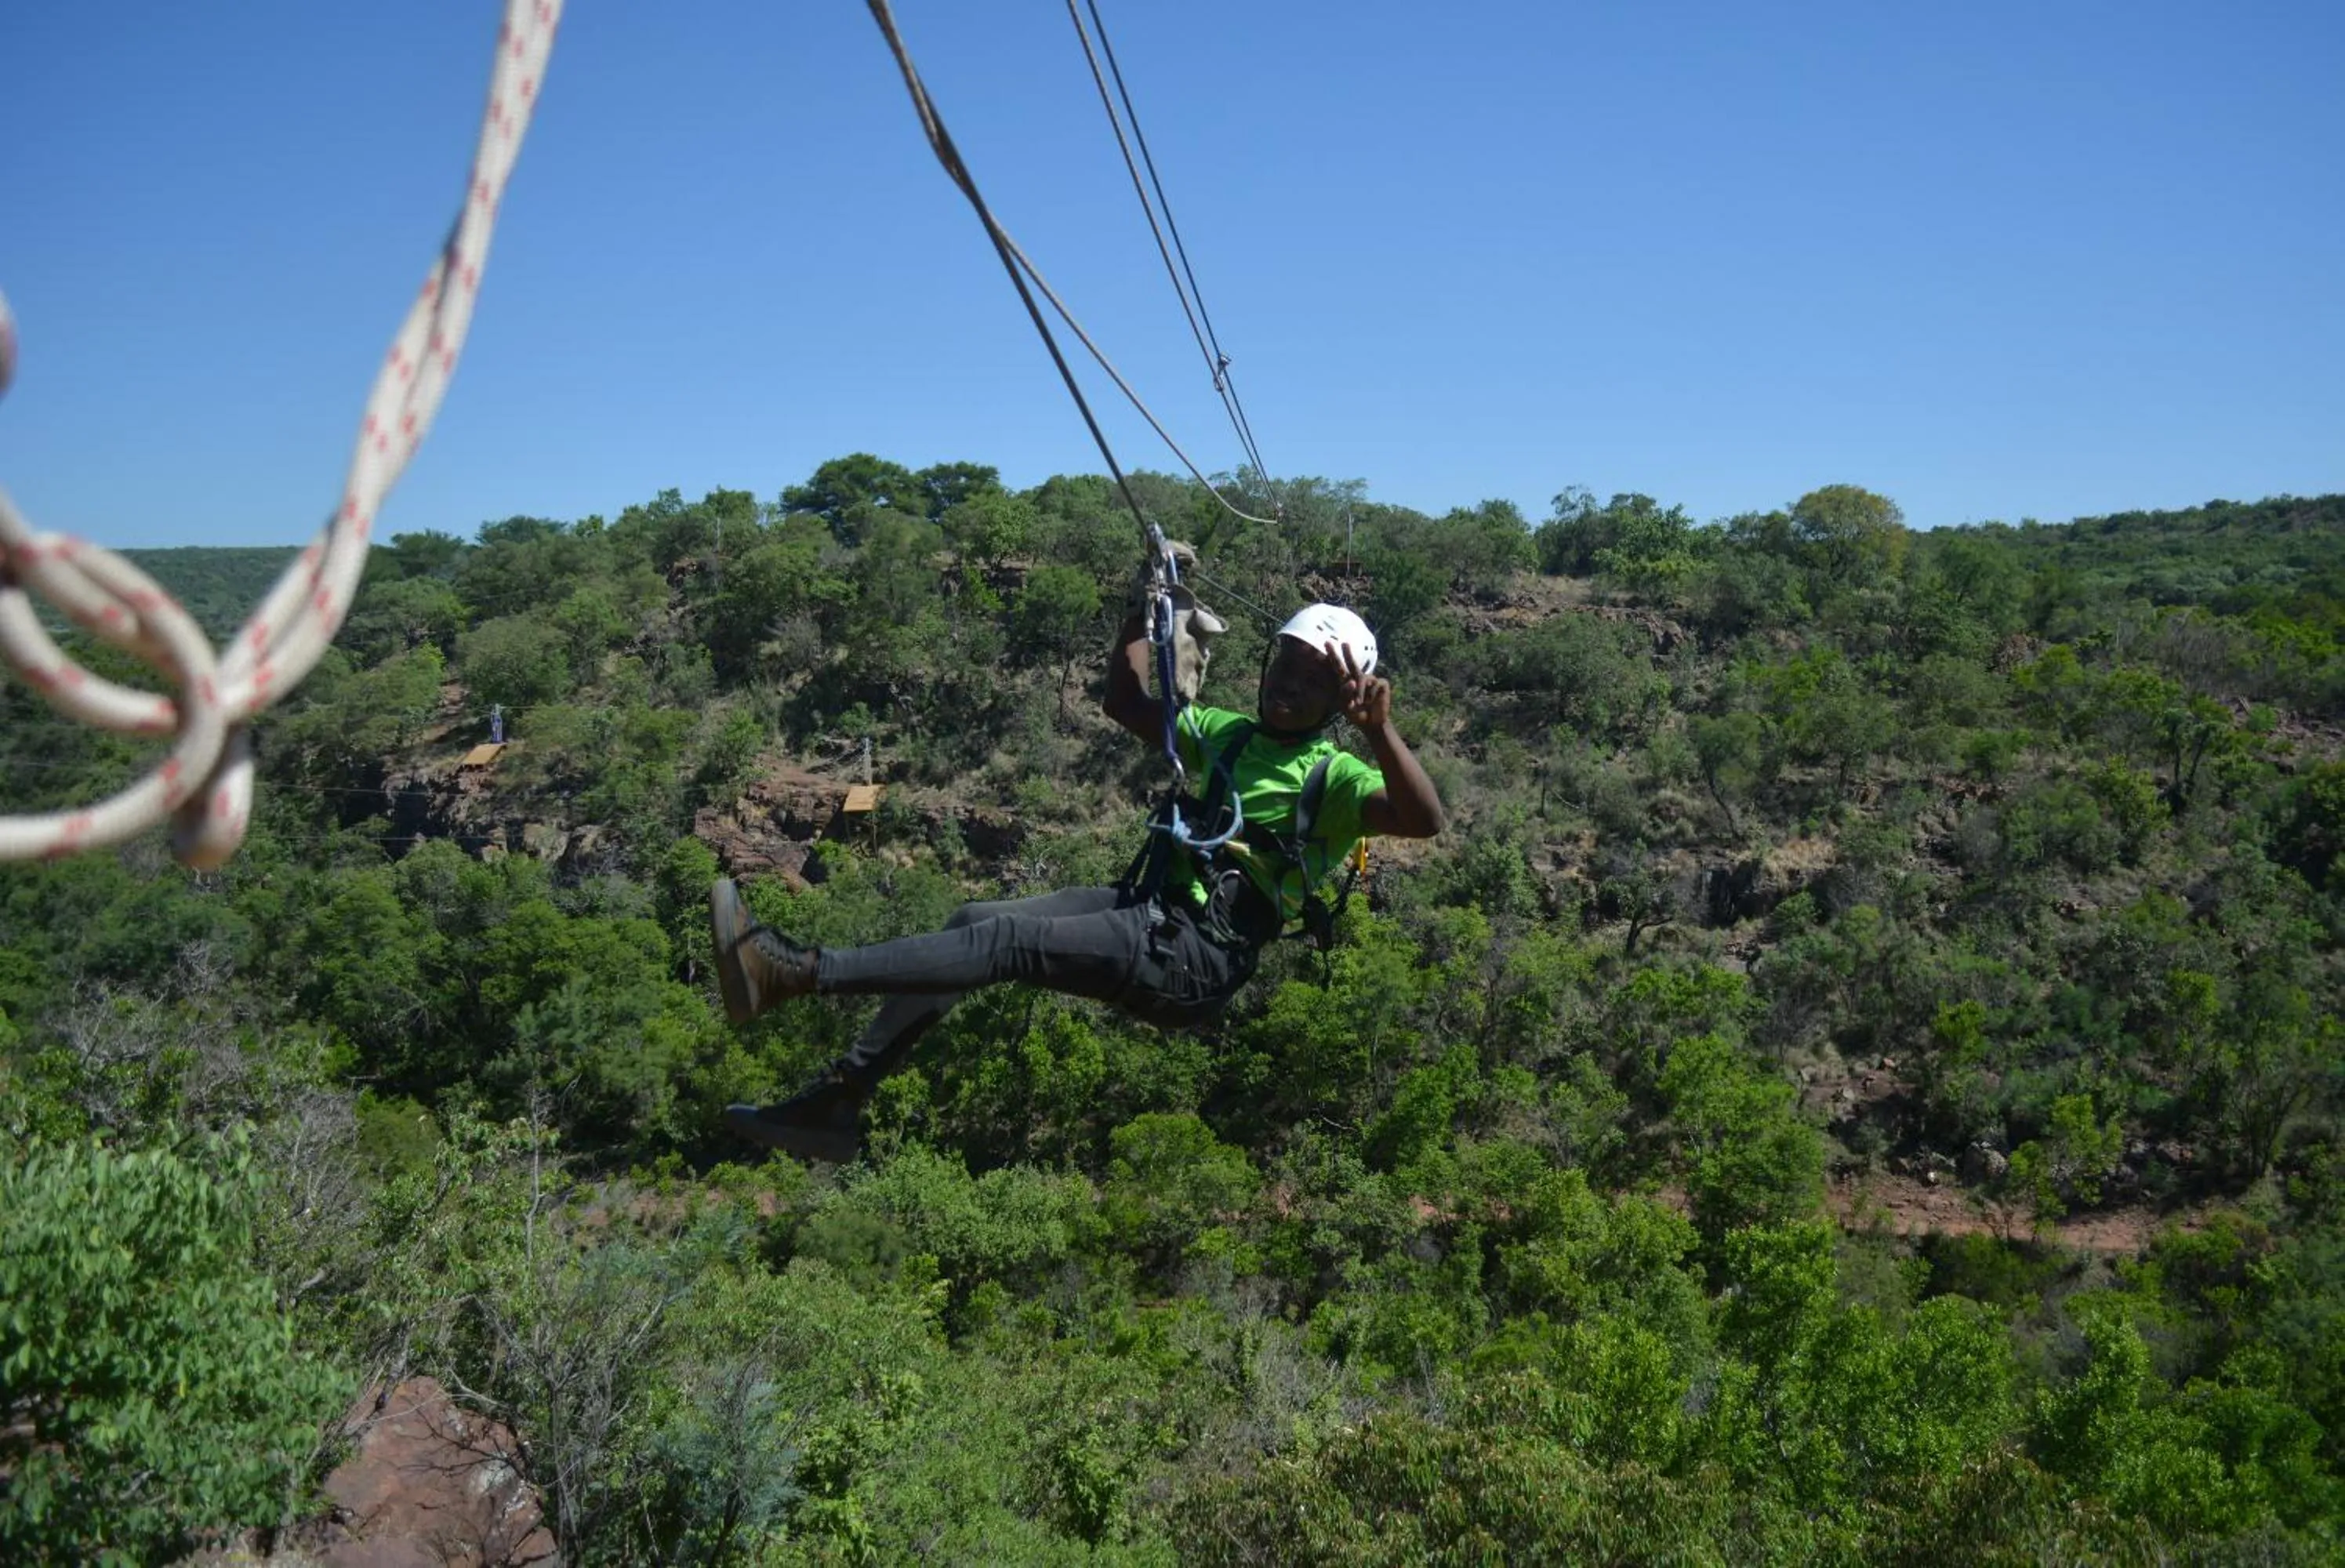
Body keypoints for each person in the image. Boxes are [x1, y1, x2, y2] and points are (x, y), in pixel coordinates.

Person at [711, 597, 1446, 1162]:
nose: (1288, 685)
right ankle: (837, 1103)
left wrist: (1377, 731)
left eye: (1314, 679)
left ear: (1337, 699)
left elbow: (1422, 819)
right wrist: (1144, 610)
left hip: (1196, 956)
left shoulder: (1334, 774)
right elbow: (1125, 703)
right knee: (973, 919)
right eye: (1284, 666)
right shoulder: (1226, 732)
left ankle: (794, 973)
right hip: (1154, 910)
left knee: (1004, 942)